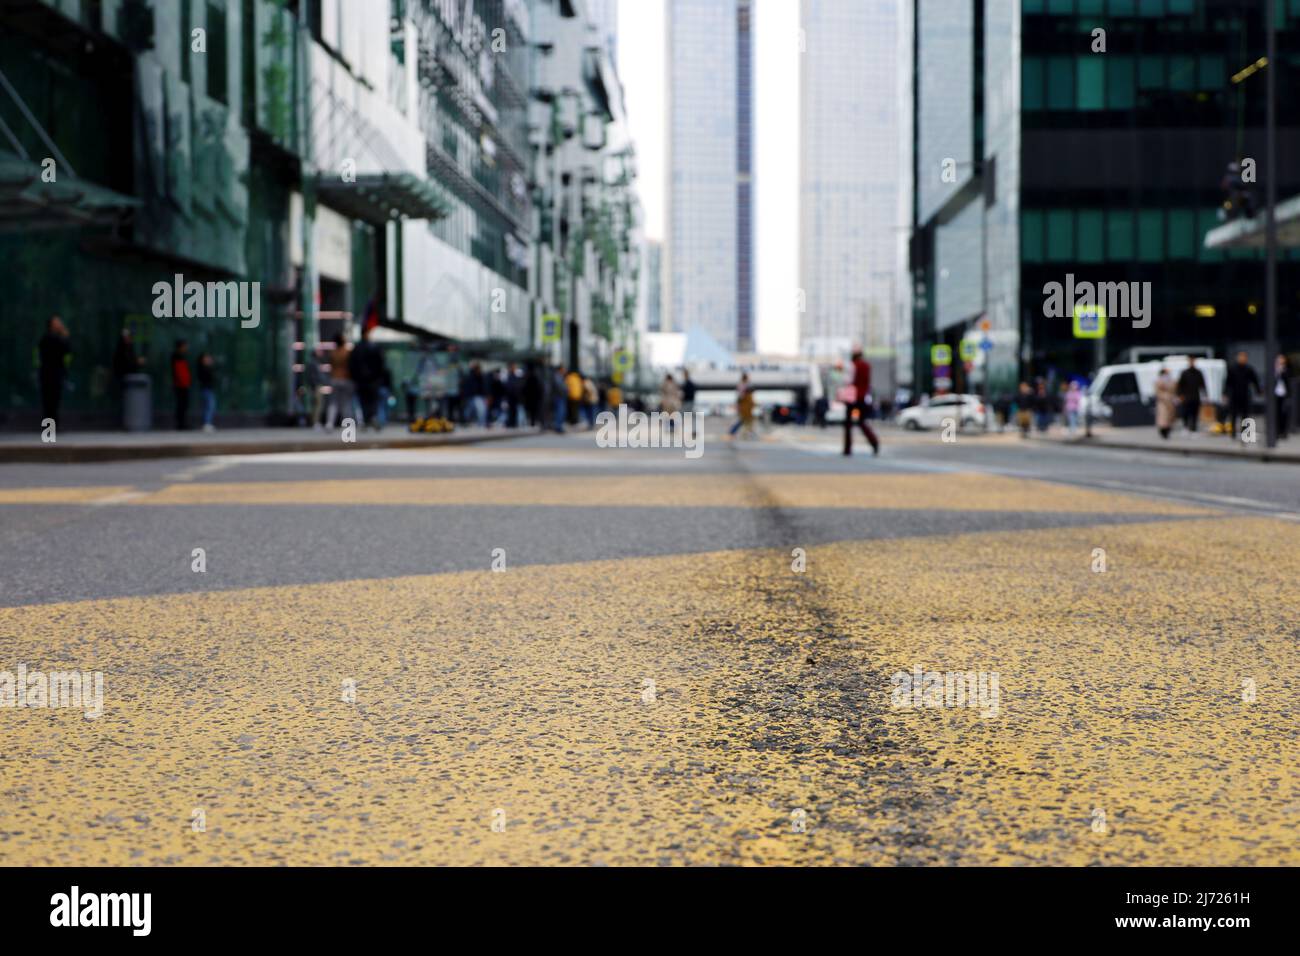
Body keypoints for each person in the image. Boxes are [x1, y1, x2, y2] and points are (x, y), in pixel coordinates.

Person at [842, 349, 880, 457]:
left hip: (852, 397)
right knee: (861, 422)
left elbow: (847, 381)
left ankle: (847, 449)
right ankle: (874, 442)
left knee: (848, 424)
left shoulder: (852, 365)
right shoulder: (867, 366)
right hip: (862, 397)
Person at [349, 324, 386, 431]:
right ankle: (373, 417)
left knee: (363, 401)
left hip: (360, 381)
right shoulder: (374, 347)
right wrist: (378, 378)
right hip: (373, 380)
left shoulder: (356, 348)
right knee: (373, 401)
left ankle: (366, 420)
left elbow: (352, 365)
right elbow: (381, 364)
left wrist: (355, 378)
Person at [38, 316, 71, 427]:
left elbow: (67, 350)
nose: (59, 324)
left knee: (54, 402)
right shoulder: (48, 339)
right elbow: (63, 349)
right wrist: (64, 337)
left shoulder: (56, 338)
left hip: (55, 374)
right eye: (57, 322)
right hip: (48, 374)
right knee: (49, 403)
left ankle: (52, 429)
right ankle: (49, 430)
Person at [1224, 351, 1261, 439]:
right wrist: (1225, 393)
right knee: (1233, 414)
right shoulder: (1232, 369)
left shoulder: (1248, 369)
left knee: (1245, 414)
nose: (1242, 359)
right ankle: (1233, 432)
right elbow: (1228, 382)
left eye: (1244, 357)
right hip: (1234, 395)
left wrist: (1258, 390)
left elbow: (1255, 380)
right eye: (1240, 357)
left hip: (1245, 394)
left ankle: (1245, 432)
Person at [324, 333, 354, 429]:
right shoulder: (347, 352)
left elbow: (331, 366)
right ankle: (347, 424)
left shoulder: (333, 353)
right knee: (346, 403)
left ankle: (330, 423)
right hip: (346, 379)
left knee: (333, 403)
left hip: (334, 379)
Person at [1177, 357, 1207, 432]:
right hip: (1186, 397)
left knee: (1195, 413)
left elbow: (1202, 385)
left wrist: (1205, 395)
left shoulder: (1198, 372)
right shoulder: (1184, 373)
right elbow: (1180, 385)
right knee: (1186, 413)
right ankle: (1185, 427)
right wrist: (1180, 395)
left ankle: (1194, 428)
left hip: (1196, 397)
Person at [171, 339, 192, 430]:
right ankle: (181, 423)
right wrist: (183, 382)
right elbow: (179, 372)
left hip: (183, 384)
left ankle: (183, 423)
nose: (186, 348)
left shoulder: (181, 356)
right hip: (180, 385)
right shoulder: (177, 357)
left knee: (184, 404)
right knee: (181, 404)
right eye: (184, 346)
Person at [729, 372, 756, 439]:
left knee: (745, 420)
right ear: (745, 378)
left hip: (745, 406)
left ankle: (747, 432)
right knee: (745, 420)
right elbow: (741, 397)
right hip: (744, 407)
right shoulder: (744, 386)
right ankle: (745, 432)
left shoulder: (743, 385)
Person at [1154, 367, 1177, 440]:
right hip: (1163, 402)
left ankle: (1168, 431)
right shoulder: (1159, 381)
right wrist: (1164, 396)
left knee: (1170, 418)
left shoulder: (1171, 381)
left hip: (1170, 402)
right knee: (1163, 418)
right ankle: (1163, 431)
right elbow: (1158, 392)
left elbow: (1174, 389)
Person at [198, 352, 217, 432]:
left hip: (208, 389)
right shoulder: (203, 369)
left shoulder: (208, 368)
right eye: (206, 358)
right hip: (206, 389)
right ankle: (207, 423)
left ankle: (207, 423)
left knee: (210, 406)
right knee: (209, 406)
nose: (208, 360)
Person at [1275, 354, 1292, 440]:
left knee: (1284, 414)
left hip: (1284, 395)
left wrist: (1282, 371)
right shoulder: (1275, 370)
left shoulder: (1286, 370)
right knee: (1276, 413)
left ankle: (1284, 432)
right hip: (1276, 395)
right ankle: (1277, 431)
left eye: (1282, 359)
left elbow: (1287, 380)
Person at [523, 363, 543, 427]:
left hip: (531, 397)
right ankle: (533, 421)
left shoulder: (528, 377)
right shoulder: (534, 376)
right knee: (533, 410)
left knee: (531, 410)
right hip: (533, 397)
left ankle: (532, 422)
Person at [551, 365, 568, 433]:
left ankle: (559, 426)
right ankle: (558, 427)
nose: (565, 371)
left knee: (561, 411)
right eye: (564, 369)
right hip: (558, 396)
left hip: (560, 396)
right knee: (560, 411)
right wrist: (566, 390)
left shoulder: (560, 376)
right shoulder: (557, 376)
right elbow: (559, 386)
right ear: (560, 369)